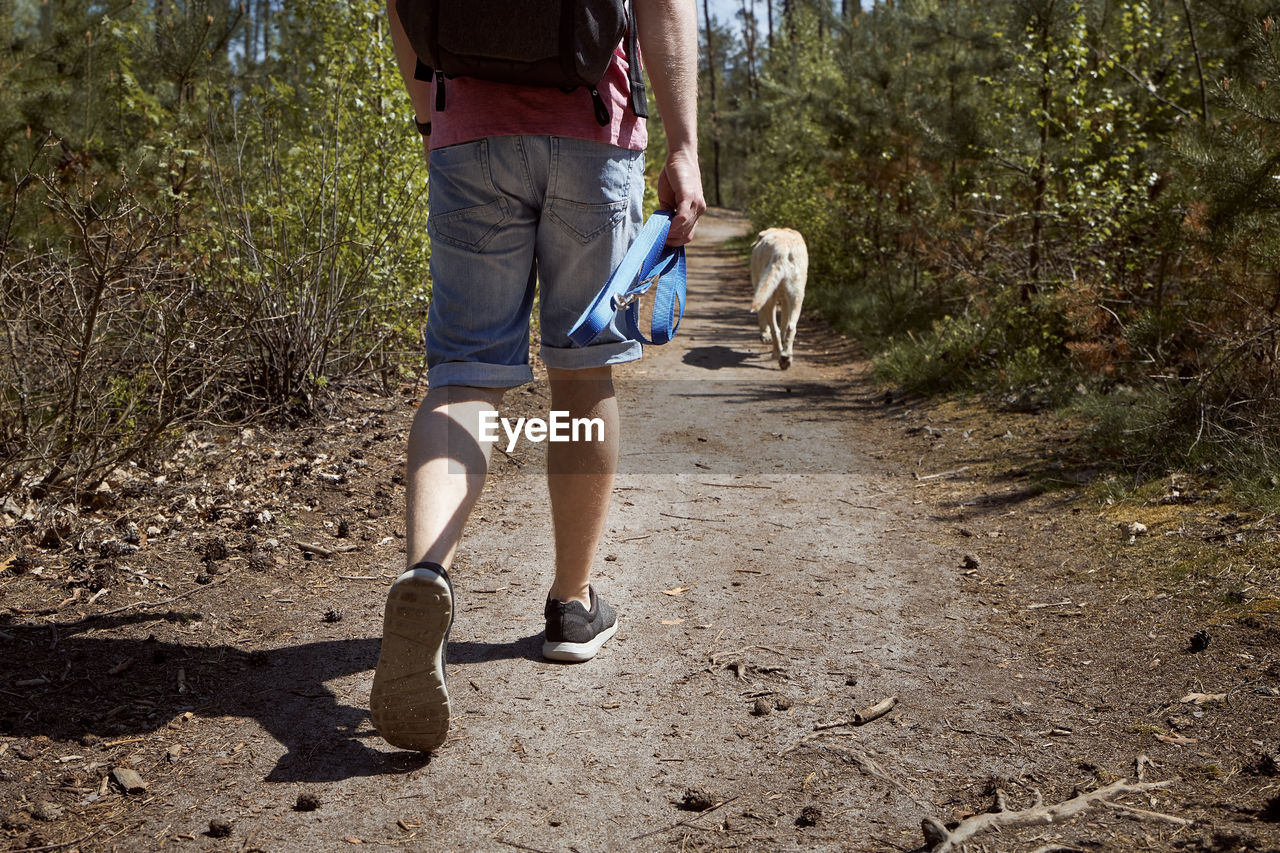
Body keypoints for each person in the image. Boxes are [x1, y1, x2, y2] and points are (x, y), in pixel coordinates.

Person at [370, 0, 706, 752]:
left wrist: (433, 121)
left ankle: (427, 572)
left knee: (463, 374)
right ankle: (571, 605)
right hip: (593, 133)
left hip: (470, 136)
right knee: (583, 374)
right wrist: (682, 143)